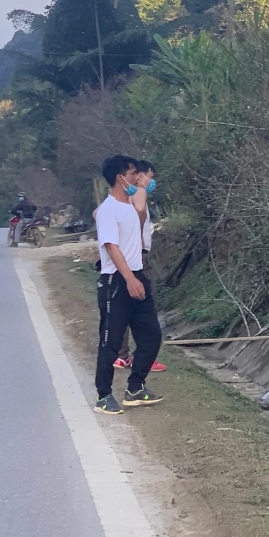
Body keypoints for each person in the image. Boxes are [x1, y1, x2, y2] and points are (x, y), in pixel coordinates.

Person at [93, 155, 164, 415]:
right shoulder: (109, 209)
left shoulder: (129, 209)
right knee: (110, 341)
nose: (137, 177)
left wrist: (137, 277)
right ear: (120, 177)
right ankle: (103, 395)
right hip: (116, 281)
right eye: (133, 173)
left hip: (136, 277)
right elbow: (111, 246)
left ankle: (135, 388)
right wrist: (129, 279)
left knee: (152, 335)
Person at [114, 160, 167, 373]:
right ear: (141, 176)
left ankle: (122, 355)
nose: (151, 181)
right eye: (150, 176)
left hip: (129, 255)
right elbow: (139, 210)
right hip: (138, 257)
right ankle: (144, 356)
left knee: (123, 307)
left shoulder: (120, 198)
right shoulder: (140, 192)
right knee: (145, 309)